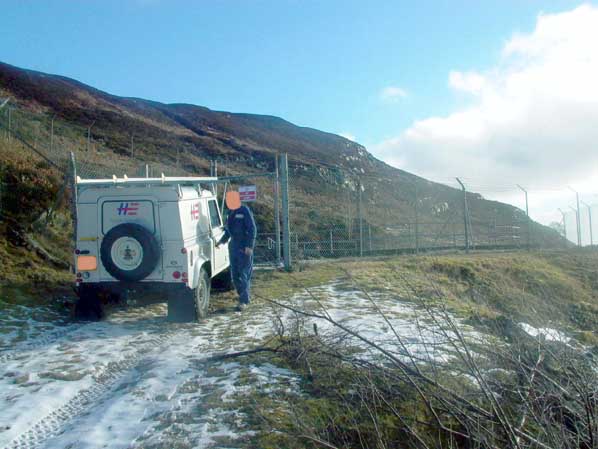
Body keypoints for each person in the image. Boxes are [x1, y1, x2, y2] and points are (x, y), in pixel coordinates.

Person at [217, 191, 257, 311]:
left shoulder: (244, 210)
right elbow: (229, 231)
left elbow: (252, 228)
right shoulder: (231, 212)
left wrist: (249, 246)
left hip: (244, 247)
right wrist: (221, 241)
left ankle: (244, 301)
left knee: (244, 274)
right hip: (233, 246)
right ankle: (243, 295)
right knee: (234, 275)